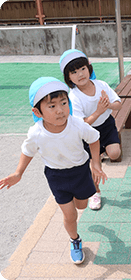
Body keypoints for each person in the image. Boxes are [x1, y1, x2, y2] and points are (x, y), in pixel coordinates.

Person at [0, 77, 107, 264]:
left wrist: (95, 164)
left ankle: (81, 198)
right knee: (70, 214)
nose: (60, 110)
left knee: (81, 206)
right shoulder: (36, 132)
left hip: (80, 171)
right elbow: (27, 151)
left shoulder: (77, 124)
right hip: (57, 176)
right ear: (37, 112)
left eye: (64, 103)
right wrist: (18, 173)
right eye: (52, 106)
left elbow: (94, 139)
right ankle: (75, 240)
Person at [60, 49, 122, 210]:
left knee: (115, 153)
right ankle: (96, 193)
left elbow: (118, 104)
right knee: (94, 167)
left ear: (89, 68)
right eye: (74, 72)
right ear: (68, 78)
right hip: (87, 133)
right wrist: (98, 111)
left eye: (82, 69)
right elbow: (82, 124)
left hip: (107, 126)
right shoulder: (73, 96)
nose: (80, 74)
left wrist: (108, 105)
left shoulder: (101, 85)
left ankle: (100, 154)